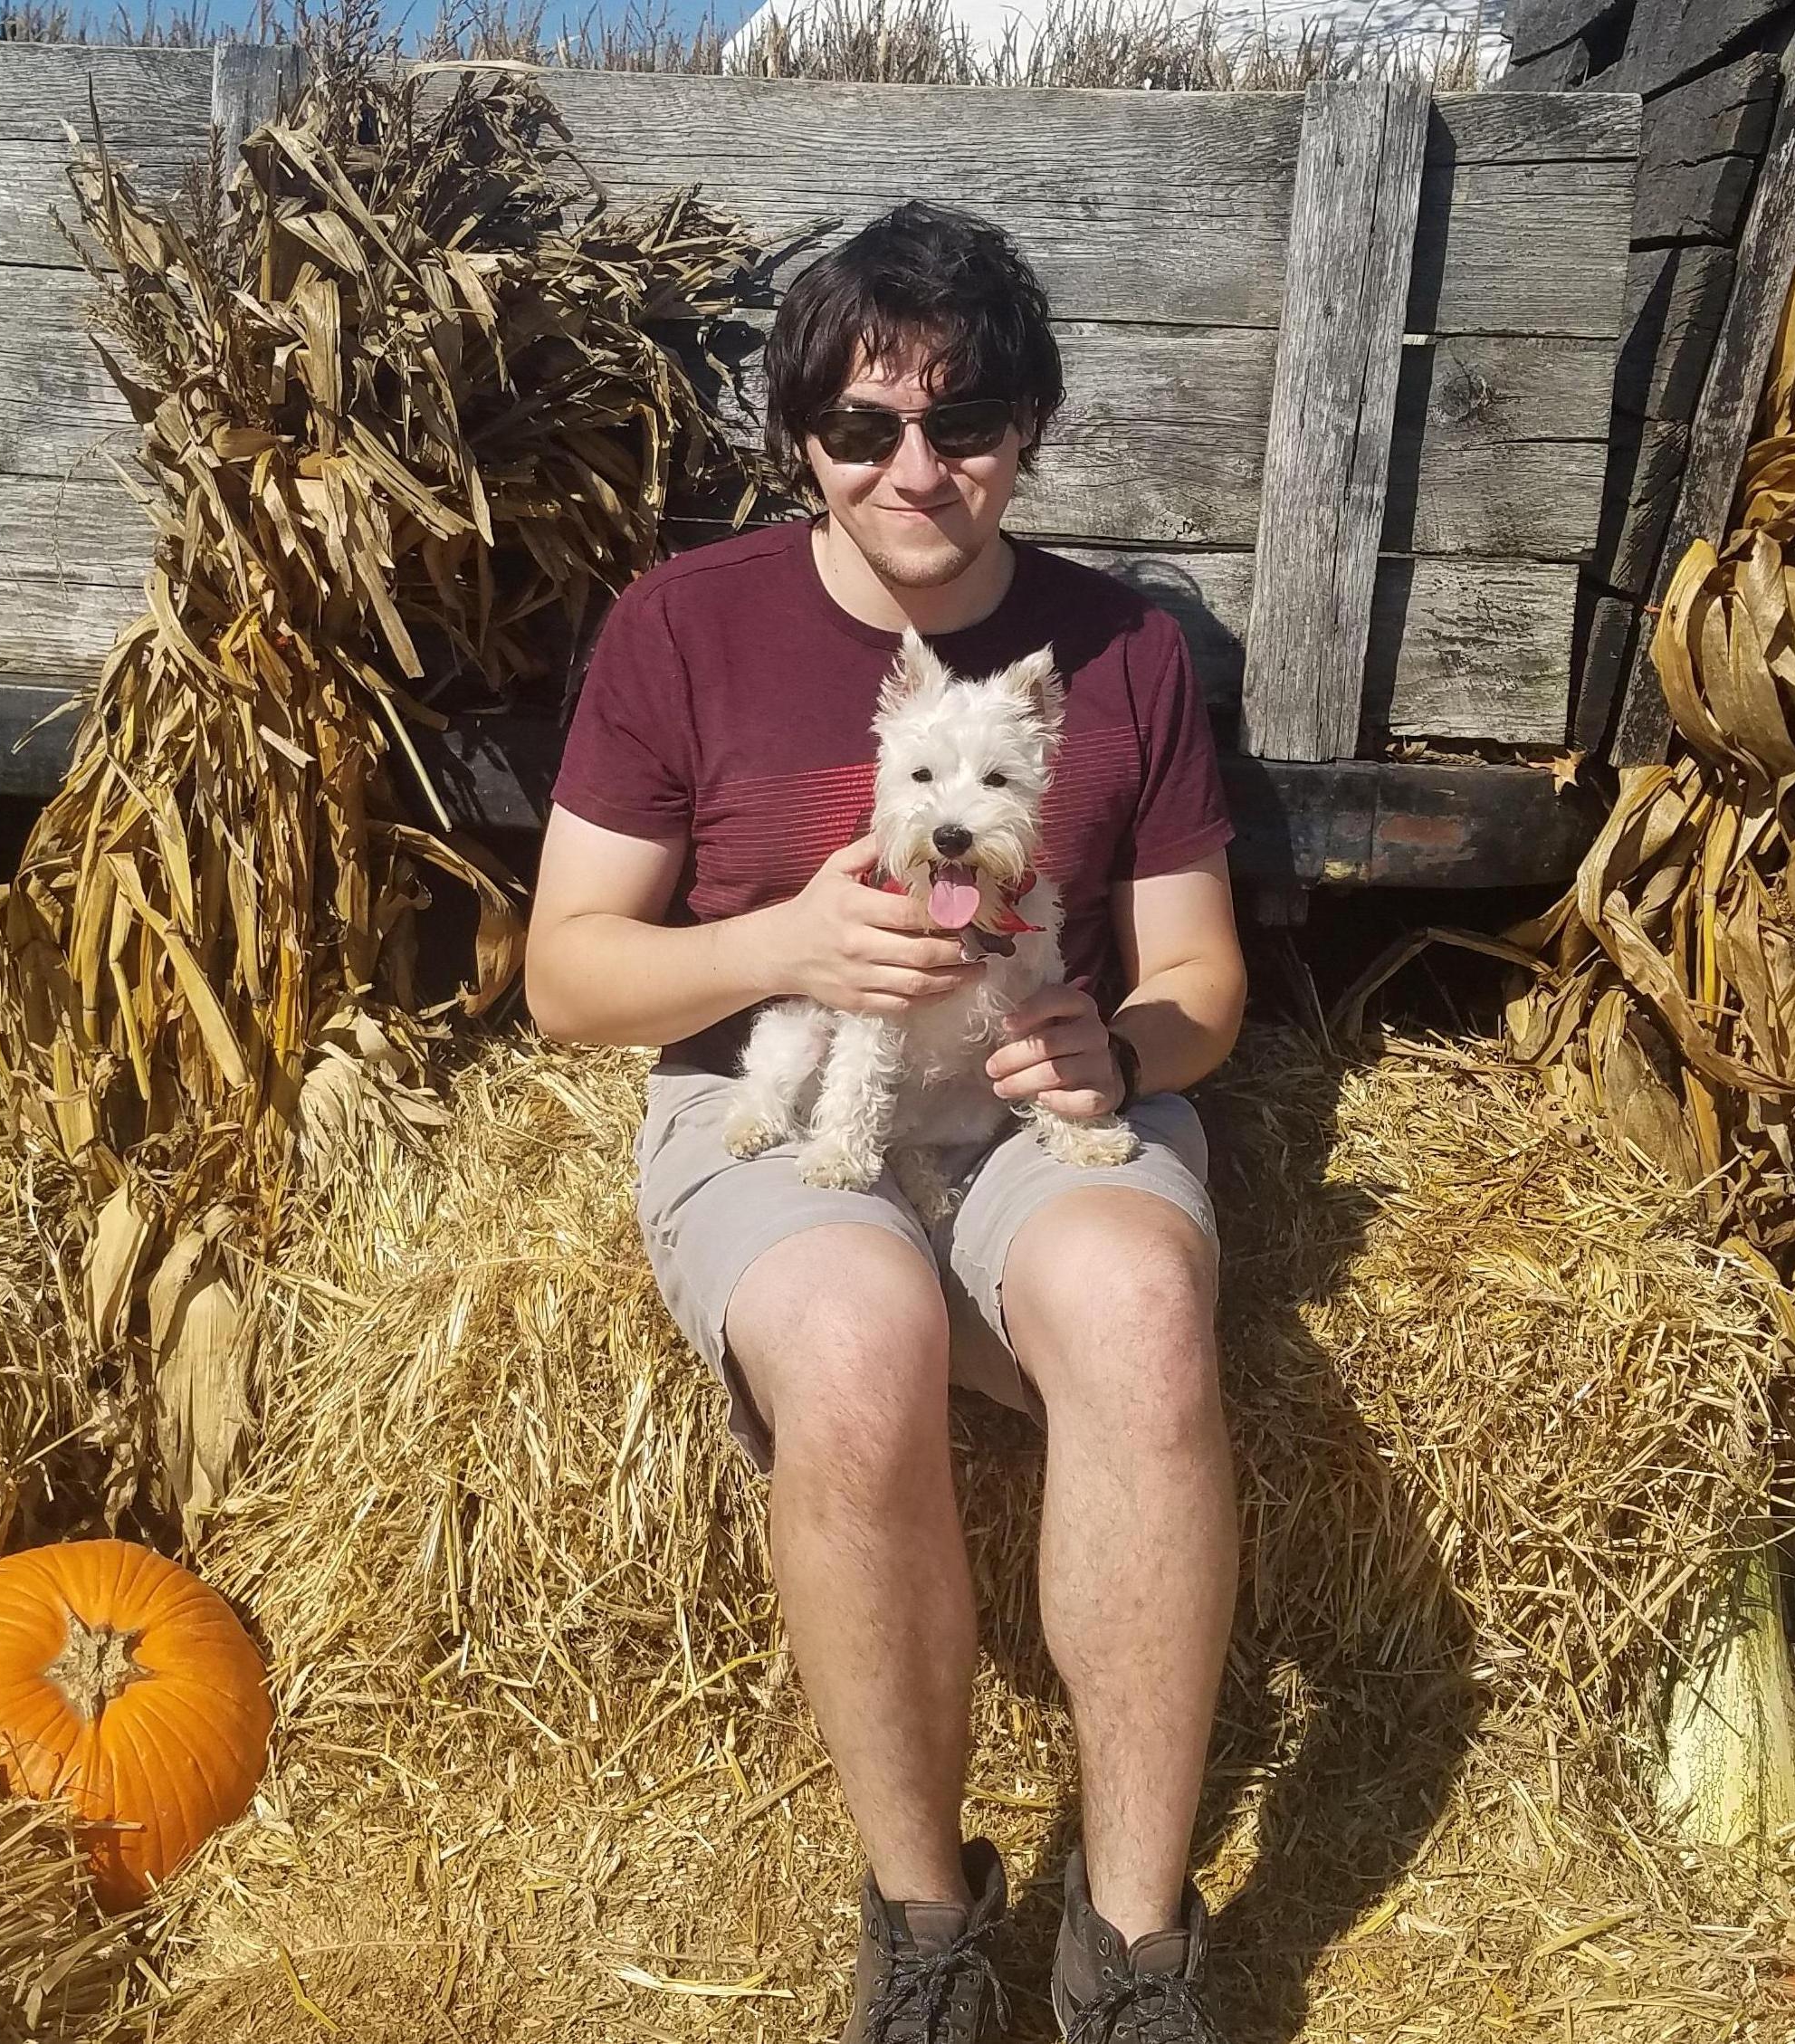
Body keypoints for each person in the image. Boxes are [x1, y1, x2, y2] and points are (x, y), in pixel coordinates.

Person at [527, 198, 1248, 2043]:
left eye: (965, 420)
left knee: (1143, 1310)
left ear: (1030, 428)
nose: (915, 467)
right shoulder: (682, 627)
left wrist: (1127, 1058)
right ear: (804, 438)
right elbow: (567, 981)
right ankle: (927, 1927)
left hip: (1027, 1092)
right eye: (864, 426)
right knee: (856, 1339)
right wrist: (785, 937)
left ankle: (1136, 1949)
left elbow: (1201, 980)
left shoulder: (1122, 654)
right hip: (774, 1094)